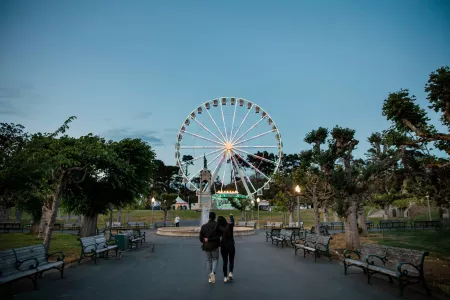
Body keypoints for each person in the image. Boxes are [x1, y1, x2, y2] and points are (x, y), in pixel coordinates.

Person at [199, 212, 222, 283]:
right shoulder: (217, 225)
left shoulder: (203, 226)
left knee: (208, 260)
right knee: (215, 259)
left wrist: (205, 241)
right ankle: (213, 272)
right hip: (215, 245)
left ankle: (210, 277)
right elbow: (219, 236)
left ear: (209, 217)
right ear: (214, 217)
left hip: (206, 246)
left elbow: (200, 237)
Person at [217, 214, 235, 283]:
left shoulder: (219, 227)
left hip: (223, 245)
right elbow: (232, 222)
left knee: (225, 262)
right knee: (231, 260)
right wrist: (231, 216)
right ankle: (230, 272)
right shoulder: (230, 225)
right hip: (231, 245)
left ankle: (225, 277)